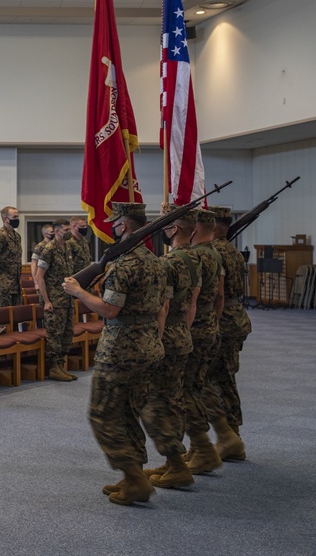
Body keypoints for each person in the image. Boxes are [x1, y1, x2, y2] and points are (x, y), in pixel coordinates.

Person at [63, 202, 166, 506]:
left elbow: (110, 309)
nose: (111, 226)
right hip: (148, 346)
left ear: (123, 225)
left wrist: (79, 292)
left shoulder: (124, 265)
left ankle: (134, 478)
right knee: (128, 413)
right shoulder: (156, 262)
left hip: (121, 349)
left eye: (114, 222)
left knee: (103, 414)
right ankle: (134, 476)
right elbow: (163, 308)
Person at [140, 208, 199, 490]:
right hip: (182, 333)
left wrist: (157, 341)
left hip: (167, 337)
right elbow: (194, 301)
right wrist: (183, 330)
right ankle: (173, 462)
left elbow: (162, 307)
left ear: (174, 229)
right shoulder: (193, 259)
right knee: (174, 398)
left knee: (157, 402)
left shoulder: (169, 262)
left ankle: (175, 464)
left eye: (166, 226)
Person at [206, 205, 252, 461]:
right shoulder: (232, 251)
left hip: (222, 321)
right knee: (226, 377)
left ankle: (231, 437)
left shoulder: (215, 253)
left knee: (219, 379)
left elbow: (217, 295)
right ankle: (232, 436)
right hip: (235, 318)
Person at [182, 209, 225, 475]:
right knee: (198, 385)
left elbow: (190, 301)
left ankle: (202, 448)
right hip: (209, 323)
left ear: (194, 229)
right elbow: (219, 297)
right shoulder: (215, 254)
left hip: (193, 328)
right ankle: (198, 449)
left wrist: (184, 331)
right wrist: (213, 322)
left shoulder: (195, 256)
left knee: (187, 389)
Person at [37, 219, 78, 382]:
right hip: (54, 300)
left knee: (67, 335)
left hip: (67, 299)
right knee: (54, 336)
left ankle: (61, 366)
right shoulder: (49, 249)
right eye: (66, 229)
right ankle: (53, 368)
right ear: (56, 230)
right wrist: (46, 300)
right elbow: (39, 276)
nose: (69, 232)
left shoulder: (67, 246)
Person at [0, 206, 23, 310]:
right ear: (5, 219)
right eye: (14, 216)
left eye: (18, 216)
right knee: (3, 321)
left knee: (16, 320)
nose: (17, 219)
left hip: (15, 286)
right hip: (2, 287)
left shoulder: (17, 236)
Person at [30, 224, 55, 290]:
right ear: (45, 234)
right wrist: (36, 282)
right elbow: (33, 264)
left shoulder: (55, 245)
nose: (54, 233)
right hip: (43, 280)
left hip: (54, 280)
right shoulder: (40, 246)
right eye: (52, 232)